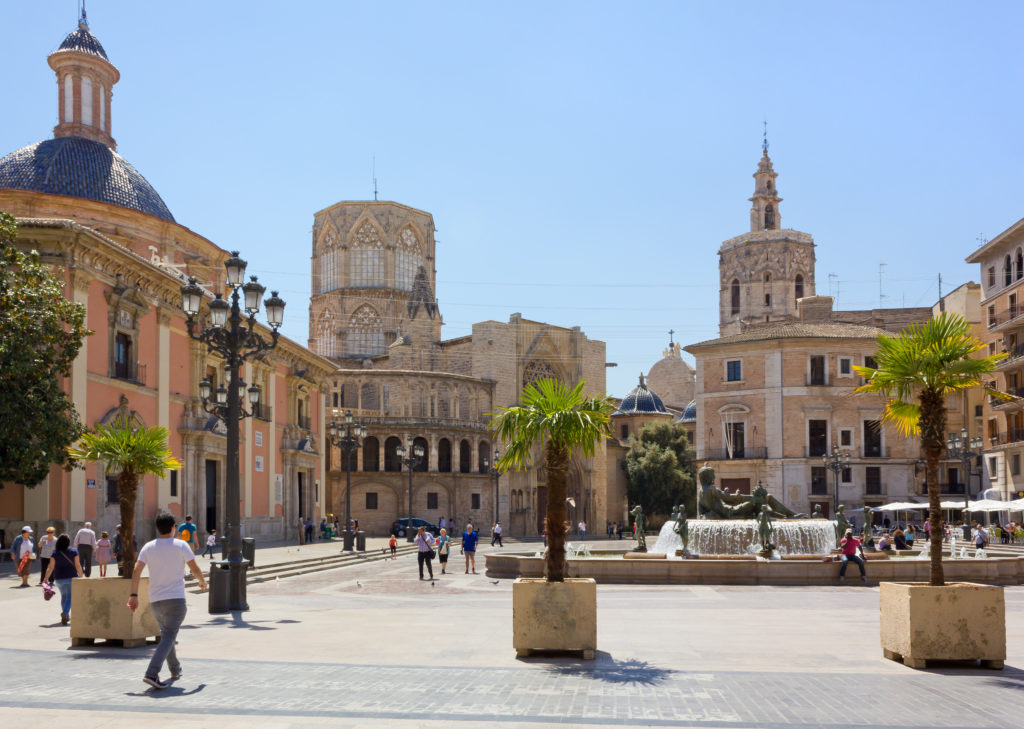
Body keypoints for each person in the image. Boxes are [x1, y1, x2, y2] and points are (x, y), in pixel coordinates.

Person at [129, 513, 207, 690]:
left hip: (156, 601)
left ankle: (175, 669)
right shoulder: (181, 545)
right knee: (169, 636)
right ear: (173, 528)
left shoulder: (148, 547)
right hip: (176, 600)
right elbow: (194, 567)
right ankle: (151, 673)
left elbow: (136, 570)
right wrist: (201, 581)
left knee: (167, 635)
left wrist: (133, 594)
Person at [43, 534, 83, 625]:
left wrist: (45, 578)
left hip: (59, 578)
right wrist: (81, 575)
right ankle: (65, 613)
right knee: (70, 596)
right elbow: (77, 565)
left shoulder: (55, 553)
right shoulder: (74, 552)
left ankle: (66, 616)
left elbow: (50, 568)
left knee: (64, 596)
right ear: (68, 542)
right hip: (71, 577)